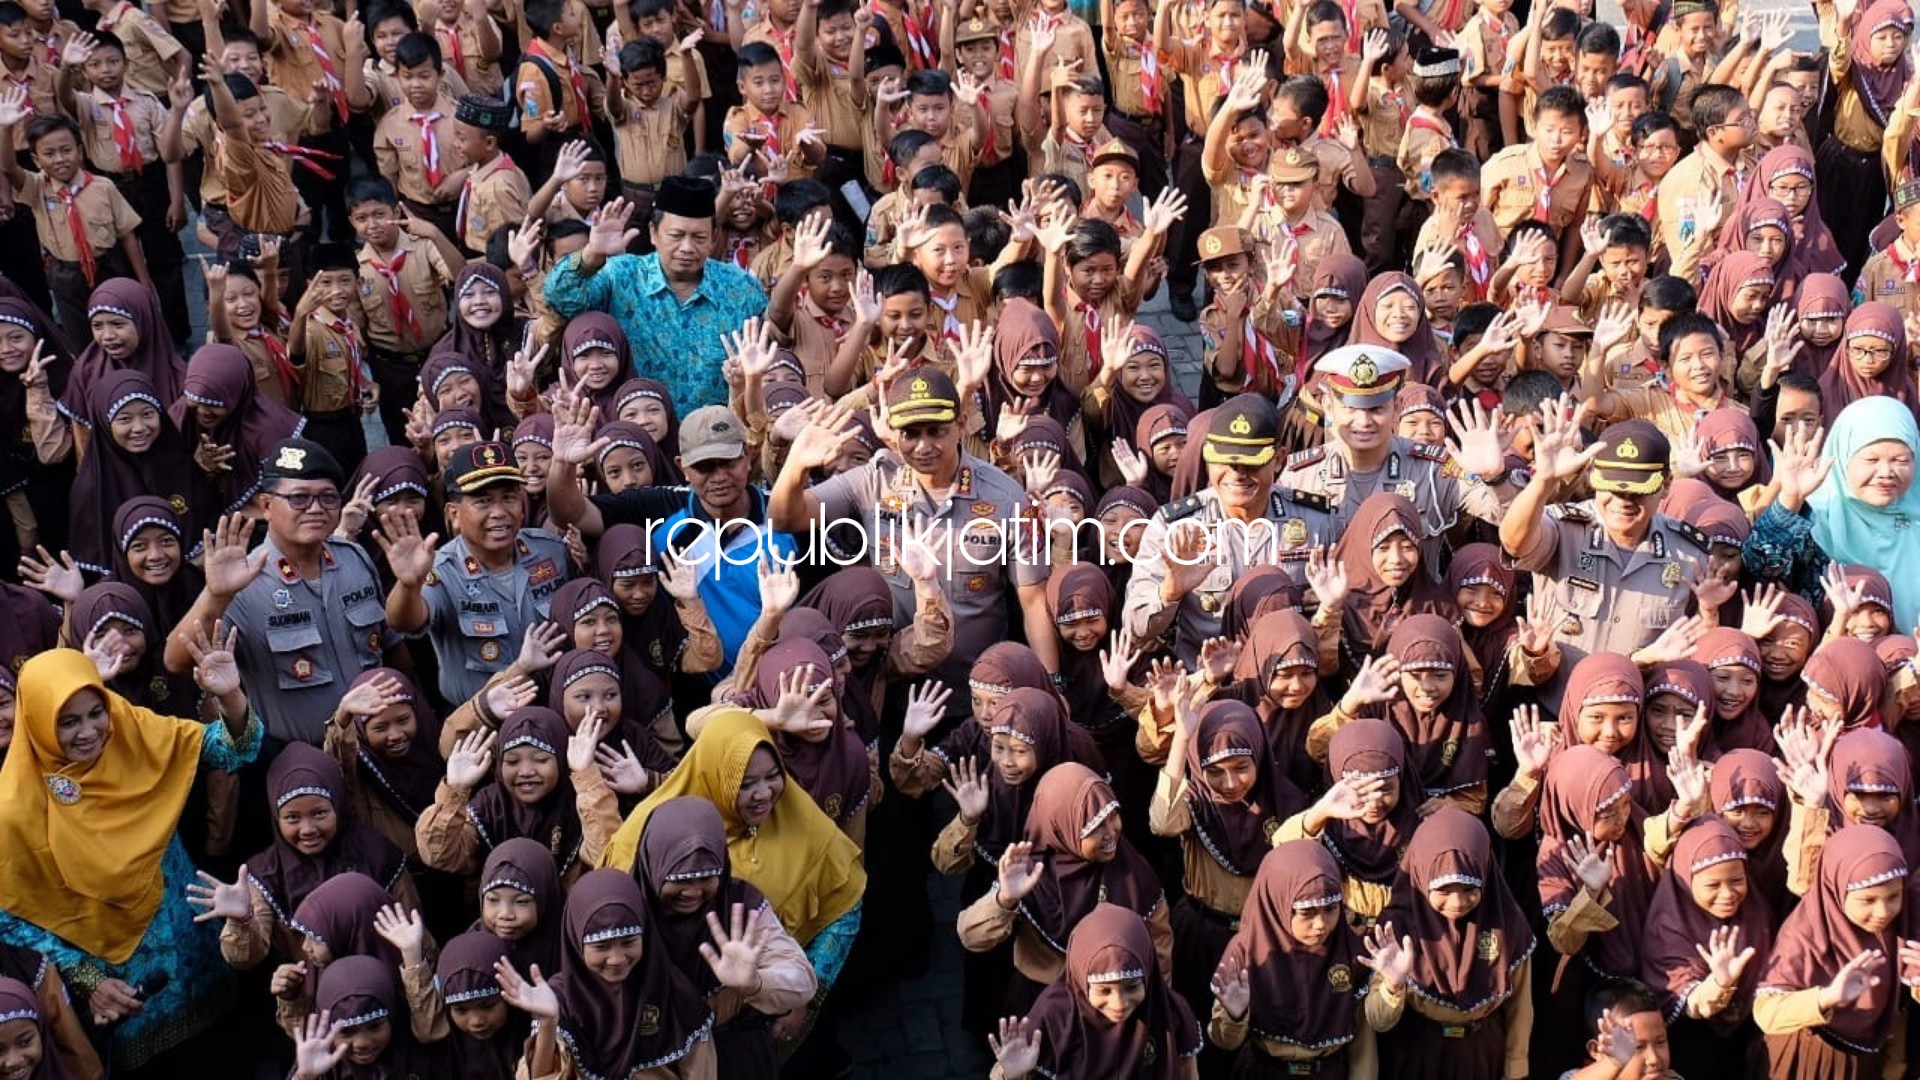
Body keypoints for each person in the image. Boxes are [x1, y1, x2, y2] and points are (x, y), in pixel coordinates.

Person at [0, 646, 259, 1072]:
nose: (89, 732)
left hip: (194, 947)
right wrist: (88, 979)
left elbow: (235, 750)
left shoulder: (131, 732)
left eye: (95, 713)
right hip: (125, 988)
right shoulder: (15, 806)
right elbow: (11, 916)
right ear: (37, 720)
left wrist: (231, 696)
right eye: (68, 722)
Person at [542, 179, 769, 410]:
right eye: (676, 236)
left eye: (699, 238)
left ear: (714, 238)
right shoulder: (621, 275)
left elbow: (767, 363)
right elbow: (558, 297)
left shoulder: (742, 289)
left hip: (716, 430)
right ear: (653, 233)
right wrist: (592, 254)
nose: (687, 247)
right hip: (637, 427)